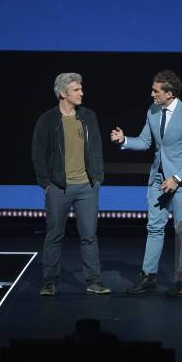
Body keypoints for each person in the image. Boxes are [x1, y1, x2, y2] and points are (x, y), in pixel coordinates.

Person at [111, 70, 182, 298]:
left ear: (169, 94)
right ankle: (148, 277)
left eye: (156, 91)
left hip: (181, 181)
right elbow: (145, 142)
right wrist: (124, 141)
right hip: (157, 179)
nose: (151, 94)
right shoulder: (153, 111)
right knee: (154, 228)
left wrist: (177, 178)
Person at [32, 72, 110, 296]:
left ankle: (94, 281)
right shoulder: (47, 120)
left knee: (89, 236)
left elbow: (96, 149)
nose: (82, 93)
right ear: (63, 93)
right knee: (54, 235)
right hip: (58, 187)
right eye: (77, 89)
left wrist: (97, 180)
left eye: (81, 88)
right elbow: (38, 154)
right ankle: (49, 282)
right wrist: (45, 184)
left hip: (87, 187)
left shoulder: (88, 116)